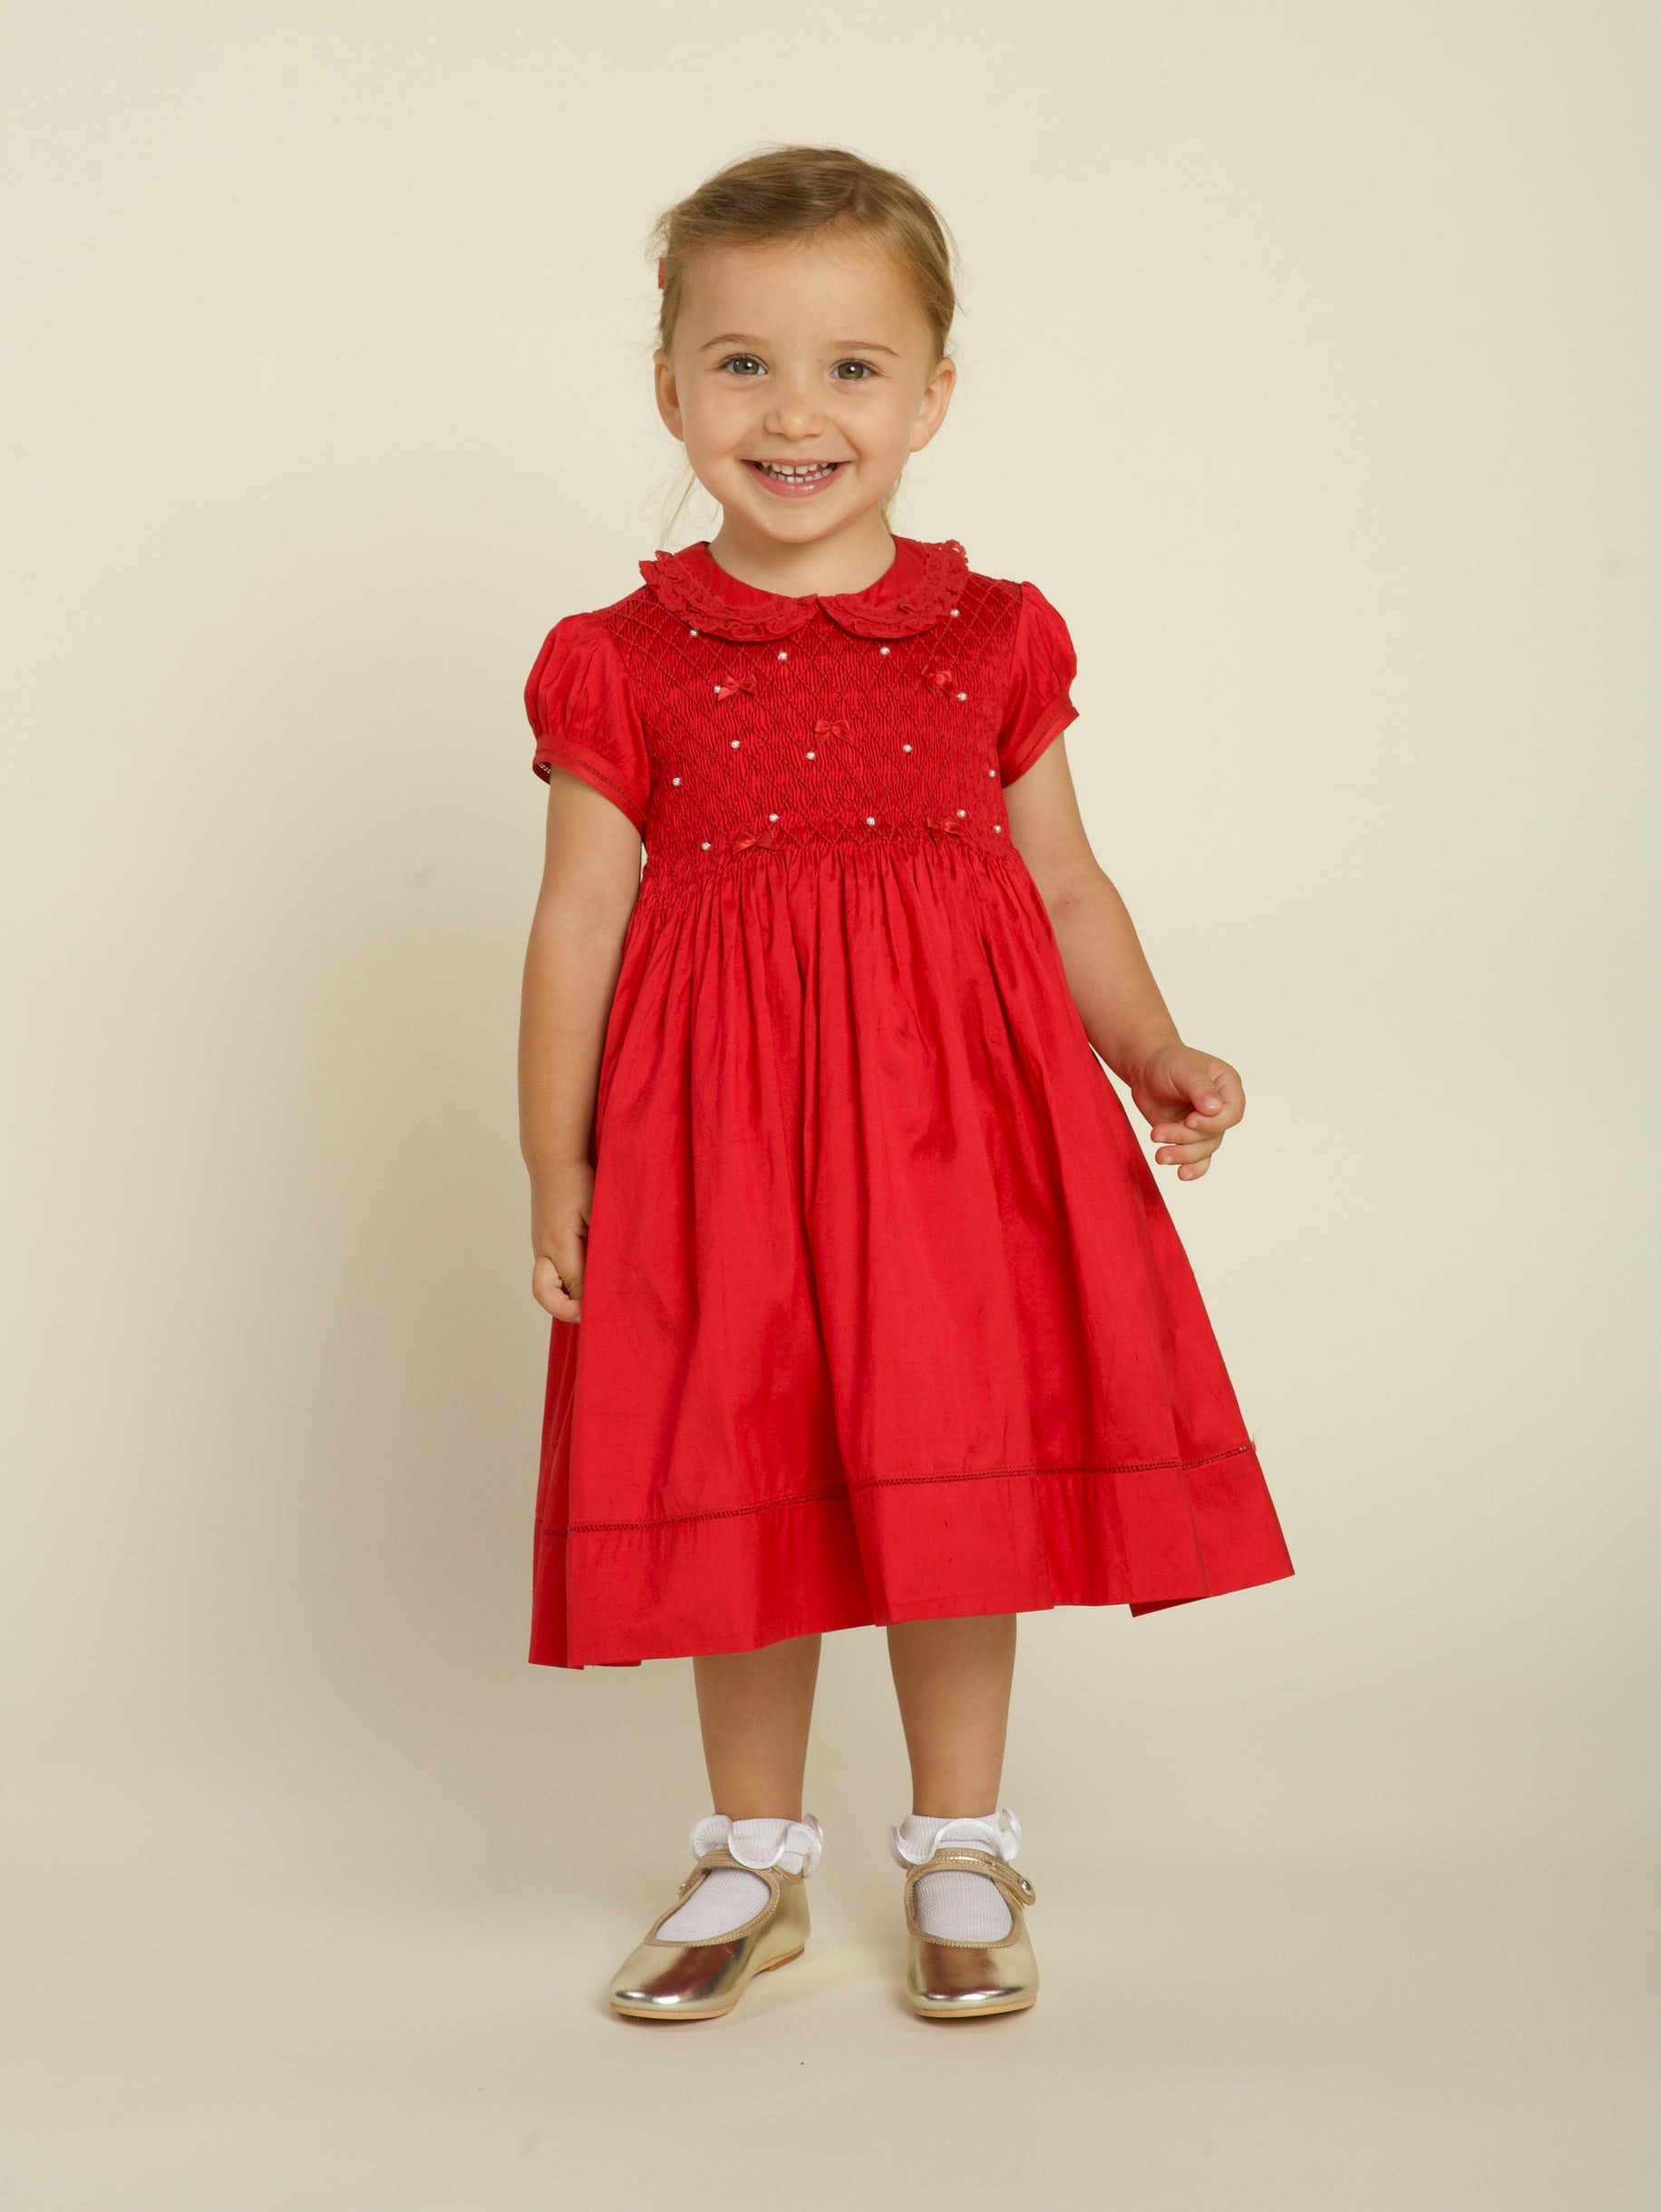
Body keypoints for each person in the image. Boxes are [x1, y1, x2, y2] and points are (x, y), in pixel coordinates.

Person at [517, 144, 1292, 2024]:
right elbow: (571, 927)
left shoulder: (993, 637)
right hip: (718, 1152)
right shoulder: (620, 661)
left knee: (958, 1478)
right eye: (742, 365)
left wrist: (1154, 1047)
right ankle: (751, 1857)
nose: (797, 412)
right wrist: (556, 1161)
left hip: (962, 1141)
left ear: (932, 392)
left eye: (854, 367)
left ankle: (961, 1839)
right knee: (741, 1472)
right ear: (669, 384)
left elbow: (1065, 881)